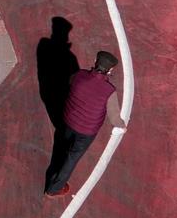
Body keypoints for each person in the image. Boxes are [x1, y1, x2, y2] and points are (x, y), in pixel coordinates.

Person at [45, 49, 125, 197]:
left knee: (62, 147)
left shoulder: (79, 75)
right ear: (110, 70)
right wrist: (122, 126)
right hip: (87, 131)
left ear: (95, 62)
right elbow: (114, 118)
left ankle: (56, 174)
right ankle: (54, 188)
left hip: (69, 120)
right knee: (72, 158)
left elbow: (70, 83)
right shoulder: (109, 91)